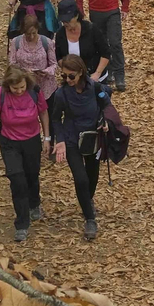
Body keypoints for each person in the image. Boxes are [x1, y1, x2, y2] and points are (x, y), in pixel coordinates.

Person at [47, 56, 108, 241]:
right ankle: (90, 219)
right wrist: (59, 141)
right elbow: (56, 118)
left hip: (92, 138)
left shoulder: (96, 88)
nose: (67, 80)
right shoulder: (61, 94)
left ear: (81, 72)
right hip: (72, 139)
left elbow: (107, 104)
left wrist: (106, 121)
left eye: (71, 76)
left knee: (92, 175)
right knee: (80, 179)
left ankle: (87, 201)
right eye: (64, 76)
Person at [0, 67, 50, 241]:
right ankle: (22, 223)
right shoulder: (0, 94)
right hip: (9, 142)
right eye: (15, 88)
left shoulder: (34, 92)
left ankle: (34, 203)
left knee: (31, 175)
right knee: (17, 179)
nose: (19, 91)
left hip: (31, 140)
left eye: (22, 87)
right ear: (8, 86)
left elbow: (44, 113)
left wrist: (47, 138)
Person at [76, 0, 130, 91]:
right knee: (101, 44)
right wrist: (80, 8)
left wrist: (124, 7)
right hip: (95, 12)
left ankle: (120, 75)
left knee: (115, 42)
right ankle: (108, 71)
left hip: (112, 11)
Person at [54, 0, 111, 84]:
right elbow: (59, 56)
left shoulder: (92, 29)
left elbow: (105, 53)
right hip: (73, 81)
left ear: (76, 16)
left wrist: (97, 74)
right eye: (63, 21)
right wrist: (68, 71)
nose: (65, 23)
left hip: (95, 78)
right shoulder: (60, 34)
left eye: (68, 20)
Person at [8, 6, 58, 98]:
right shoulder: (16, 42)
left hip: (45, 88)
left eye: (34, 33)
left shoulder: (46, 42)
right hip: (23, 87)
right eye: (28, 34)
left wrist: (46, 71)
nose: (31, 36)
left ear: (37, 29)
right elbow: (12, 63)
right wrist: (24, 72)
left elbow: (54, 64)